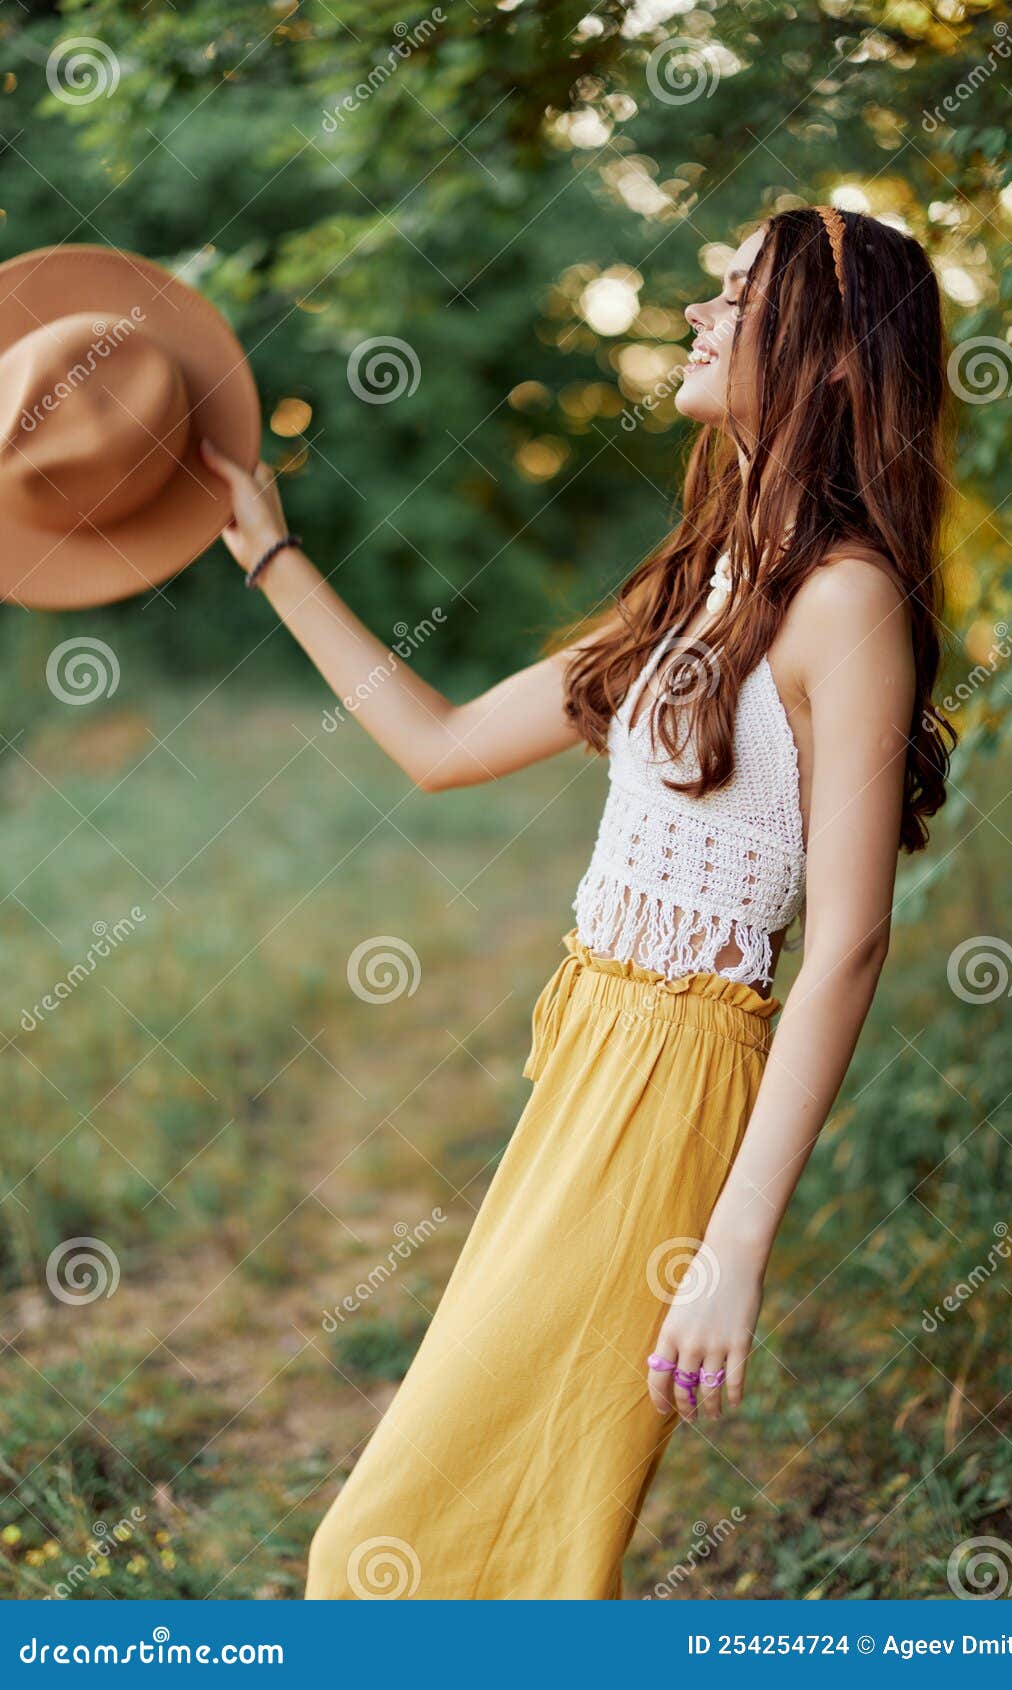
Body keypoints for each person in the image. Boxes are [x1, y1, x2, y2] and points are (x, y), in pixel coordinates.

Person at [203, 204, 952, 1600]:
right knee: (493, 1547)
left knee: (409, 1551)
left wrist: (732, 1246)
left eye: (738, 293)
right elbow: (438, 747)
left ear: (834, 357)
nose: (698, 309)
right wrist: (269, 554)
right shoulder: (706, 583)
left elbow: (848, 940)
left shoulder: (849, 602)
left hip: (675, 1081)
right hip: (590, 1053)